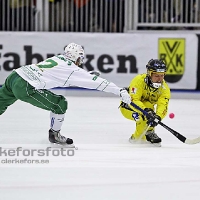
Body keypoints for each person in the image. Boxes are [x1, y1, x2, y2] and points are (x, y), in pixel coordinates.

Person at [0, 43, 131, 147]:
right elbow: (98, 83)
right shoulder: (72, 69)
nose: (80, 62)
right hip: (25, 86)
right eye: (80, 58)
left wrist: (84, 76)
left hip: (15, 75)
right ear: (77, 57)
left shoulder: (58, 58)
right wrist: (119, 91)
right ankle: (55, 135)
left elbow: (60, 75)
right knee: (60, 104)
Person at [119, 59, 171, 147]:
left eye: (162, 75)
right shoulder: (138, 81)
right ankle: (135, 138)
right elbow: (133, 100)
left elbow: (163, 105)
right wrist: (145, 111)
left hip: (146, 108)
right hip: (128, 107)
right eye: (156, 75)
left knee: (150, 113)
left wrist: (158, 117)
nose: (160, 79)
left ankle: (149, 131)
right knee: (142, 116)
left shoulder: (164, 89)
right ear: (149, 74)